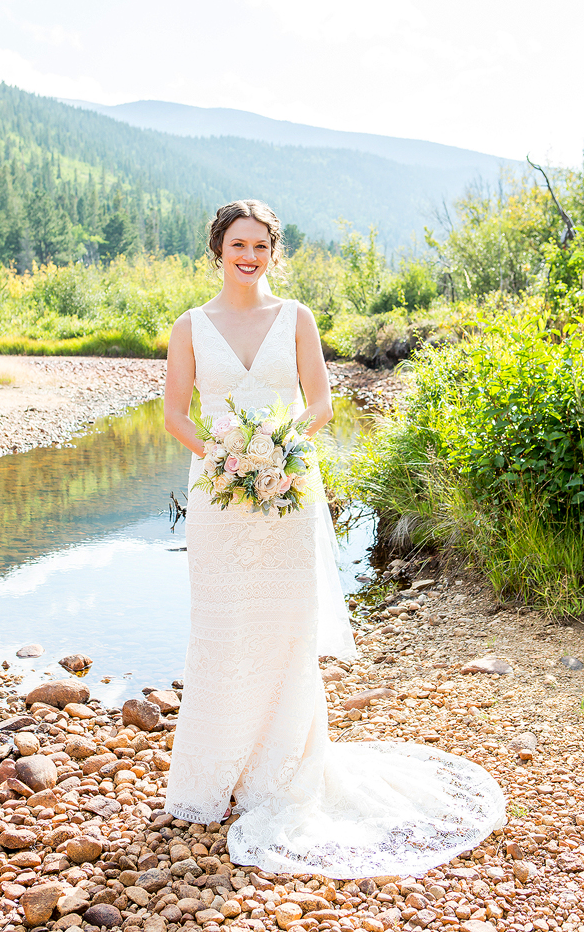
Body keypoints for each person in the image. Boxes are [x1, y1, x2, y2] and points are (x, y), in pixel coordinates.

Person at [163, 199, 505, 877]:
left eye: (260, 245)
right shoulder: (189, 326)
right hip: (220, 498)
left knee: (285, 628)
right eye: (238, 243)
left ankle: (280, 773)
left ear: (273, 252)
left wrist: (278, 446)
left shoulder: (296, 319)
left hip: (287, 490)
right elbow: (175, 413)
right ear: (217, 249)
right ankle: (218, 770)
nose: (249, 255)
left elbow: (319, 403)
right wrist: (224, 453)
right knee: (223, 630)